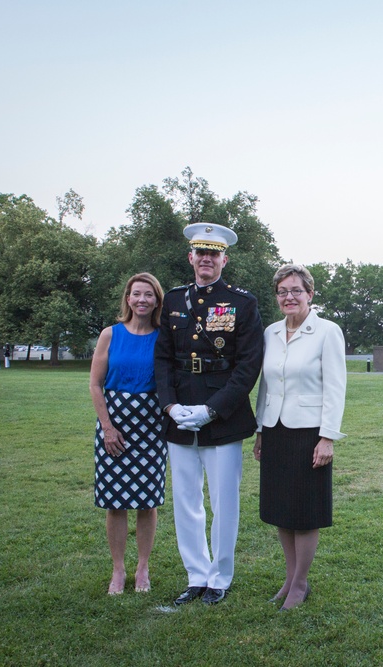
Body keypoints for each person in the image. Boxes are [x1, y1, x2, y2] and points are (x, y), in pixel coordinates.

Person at [154, 222, 264, 607]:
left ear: (224, 260)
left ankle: (220, 575)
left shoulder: (243, 303)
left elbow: (249, 365)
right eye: (200, 252)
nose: (206, 259)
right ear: (190, 257)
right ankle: (196, 574)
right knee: (186, 500)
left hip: (223, 415)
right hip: (180, 413)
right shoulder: (173, 300)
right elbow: (163, 359)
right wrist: (170, 405)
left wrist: (212, 409)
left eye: (213, 253)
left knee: (223, 501)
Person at [253, 264, 346, 611]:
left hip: (309, 433)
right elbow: (266, 384)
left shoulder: (327, 332)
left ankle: (301, 583)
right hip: (275, 431)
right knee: (281, 510)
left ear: (310, 294)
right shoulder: (271, 333)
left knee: (305, 512)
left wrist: (328, 437)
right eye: (282, 291)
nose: (289, 296)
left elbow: (335, 388)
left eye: (296, 290)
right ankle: (290, 579)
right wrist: (261, 429)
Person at [89, 273, 167, 595]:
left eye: (149, 295)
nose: (142, 300)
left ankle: (143, 567)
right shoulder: (110, 334)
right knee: (115, 502)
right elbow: (95, 384)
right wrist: (107, 427)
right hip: (114, 424)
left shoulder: (164, 337)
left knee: (147, 503)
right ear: (128, 298)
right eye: (137, 294)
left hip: (151, 425)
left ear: (157, 300)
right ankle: (118, 570)